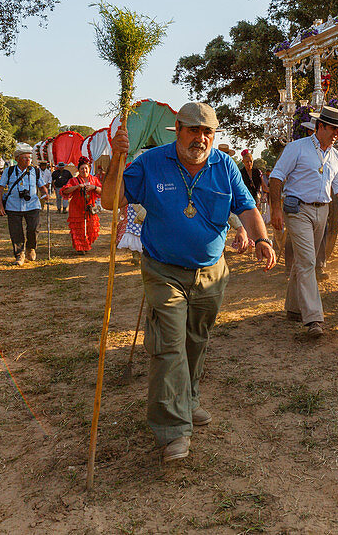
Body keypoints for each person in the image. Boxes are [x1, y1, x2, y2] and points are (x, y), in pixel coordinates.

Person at [101, 101, 276, 463]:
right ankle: (172, 430)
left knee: (196, 340)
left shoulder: (224, 165)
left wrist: (261, 239)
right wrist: (117, 160)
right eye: (193, 130)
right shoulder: (151, 163)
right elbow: (110, 202)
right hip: (163, 270)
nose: (200, 138)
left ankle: (188, 399)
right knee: (169, 343)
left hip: (211, 273)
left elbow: (246, 207)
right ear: (178, 129)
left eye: (207, 131)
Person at [268, 105, 338, 338]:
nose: (337, 134)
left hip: (323, 212)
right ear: (319, 126)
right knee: (309, 261)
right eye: (333, 128)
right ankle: (313, 319)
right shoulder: (296, 148)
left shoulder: (334, 155)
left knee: (304, 260)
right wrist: (276, 210)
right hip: (298, 210)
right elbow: (276, 177)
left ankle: (292, 308)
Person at [0, 143, 48, 266]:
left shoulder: (35, 171)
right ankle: (19, 254)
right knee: (16, 232)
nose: (28, 160)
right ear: (17, 159)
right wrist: (0, 206)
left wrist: (45, 193)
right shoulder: (9, 171)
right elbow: (0, 189)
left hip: (32, 205)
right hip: (13, 206)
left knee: (34, 229)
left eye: (29, 158)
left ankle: (31, 248)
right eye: (25, 157)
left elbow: (41, 186)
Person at [61, 157, 102, 254]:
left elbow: (102, 190)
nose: (84, 170)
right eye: (82, 169)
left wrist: (94, 187)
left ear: (89, 168)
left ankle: (87, 244)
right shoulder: (73, 180)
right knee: (78, 227)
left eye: (86, 168)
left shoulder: (94, 179)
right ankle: (80, 247)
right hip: (76, 207)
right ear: (78, 170)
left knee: (91, 227)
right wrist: (77, 187)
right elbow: (65, 190)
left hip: (90, 207)